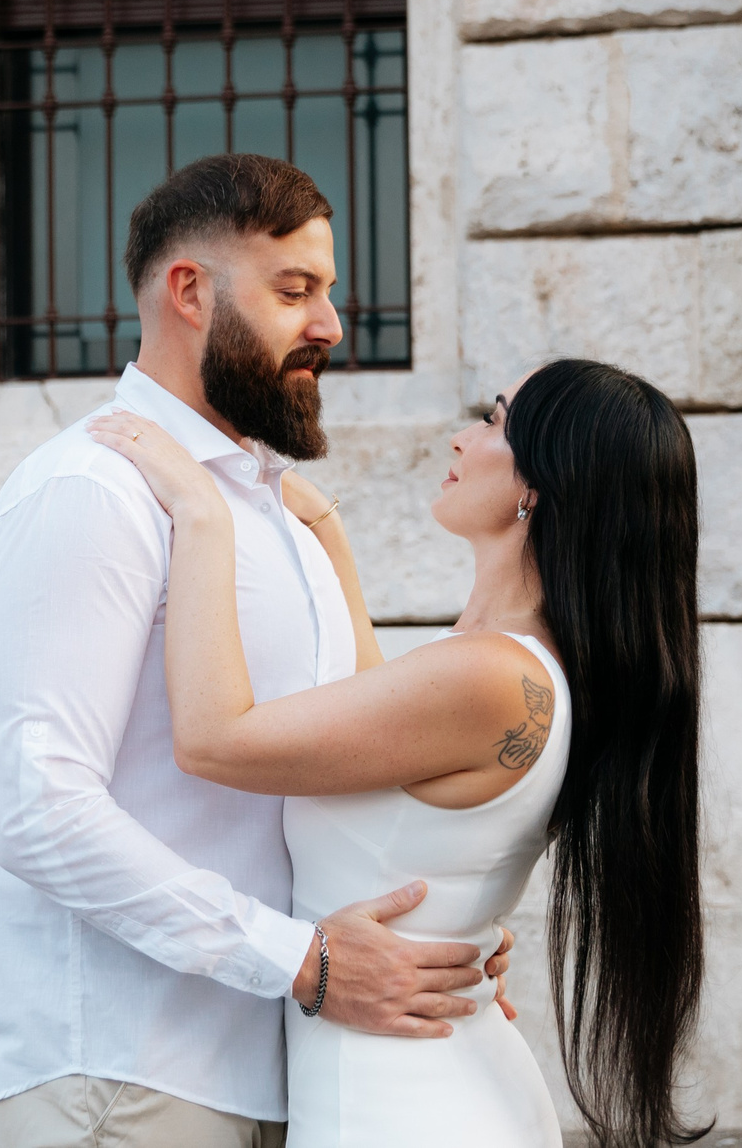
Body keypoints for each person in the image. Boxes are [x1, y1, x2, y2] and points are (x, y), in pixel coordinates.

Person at [0, 154, 512, 1148]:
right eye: (293, 291)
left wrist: (446, 926)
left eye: (329, 292)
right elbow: (38, 810)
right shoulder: (93, 491)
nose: (329, 327)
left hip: (287, 1074)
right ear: (190, 292)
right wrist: (297, 961)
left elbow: (348, 778)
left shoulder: (272, 516)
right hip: (126, 1084)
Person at [89, 356, 708, 1148]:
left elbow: (213, 739)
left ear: (538, 486)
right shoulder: (515, 667)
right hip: (432, 1080)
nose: (461, 437)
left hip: (397, 1101)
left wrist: (200, 512)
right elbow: (375, 727)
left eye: (492, 420)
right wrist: (328, 534)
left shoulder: (489, 676)